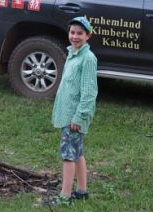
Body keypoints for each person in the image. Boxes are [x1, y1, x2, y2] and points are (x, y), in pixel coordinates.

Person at [46, 16, 98, 205]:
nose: (75, 36)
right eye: (72, 32)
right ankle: (82, 190)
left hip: (74, 116)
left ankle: (65, 196)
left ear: (88, 35)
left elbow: (89, 92)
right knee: (77, 152)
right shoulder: (73, 53)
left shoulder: (88, 58)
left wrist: (79, 116)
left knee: (68, 155)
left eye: (80, 33)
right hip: (68, 113)